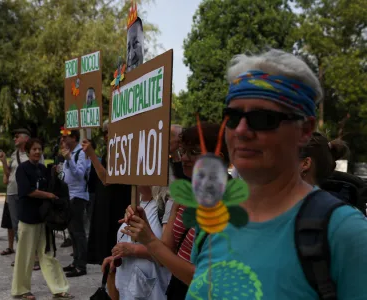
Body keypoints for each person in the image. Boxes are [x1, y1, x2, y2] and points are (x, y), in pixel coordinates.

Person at [179, 49, 367, 299]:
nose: (241, 131)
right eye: (233, 117)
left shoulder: (345, 233)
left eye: (262, 118)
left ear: (305, 130)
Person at [121, 123, 230, 300]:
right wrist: (144, 226)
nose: (184, 158)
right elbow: (164, 255)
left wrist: (149, 240)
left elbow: (204, 279)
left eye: (194, 152)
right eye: (183, 151)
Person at [11, 138, 74, 300]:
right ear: (28, 151)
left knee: (48, 255)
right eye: (34, 149)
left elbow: (52, 185)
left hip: (44, 219)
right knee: (25, 256)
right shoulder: (22, 169)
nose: (38, 152)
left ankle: (59, 288)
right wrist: (49, 195)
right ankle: (21, 290)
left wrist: (54, 174)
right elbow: (28, 191)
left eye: (39, 149)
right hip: (28, 219)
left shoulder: (42, 168)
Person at [102, 185, 171, 300]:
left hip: (155, 291)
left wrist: (133, 250)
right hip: (129, 290)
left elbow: (169, 254)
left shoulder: (166, 206)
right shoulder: (135, 204)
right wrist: (117, 257)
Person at [83, 119, 131, 265]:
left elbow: (106, 179)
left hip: (116, 205)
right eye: (105, 133)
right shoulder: (108, 152)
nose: (106, 136)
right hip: (104, 204)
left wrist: (92, 155)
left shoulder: (124, 151)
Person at [0, 129, 41, 269]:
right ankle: (21, 256)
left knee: (29, 225)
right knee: (17, 226)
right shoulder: (14, 154)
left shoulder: (34, 153)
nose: (14, 139)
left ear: (25, 138)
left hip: (26, 194)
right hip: (11, 193)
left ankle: (35, 257)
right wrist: (4, 161)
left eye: (17, 137)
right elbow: (8, 174)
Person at [61, 129, 90, 277]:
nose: (63, 139)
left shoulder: (81, 153)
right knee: (72, 231)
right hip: (69, 196)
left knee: (78, 232)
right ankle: (75, 261)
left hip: (78, 196)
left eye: (66, 137)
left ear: (74, 138)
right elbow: (67, 175)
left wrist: (68, 160)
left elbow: (79, 175)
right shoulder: (70, 154)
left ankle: (81, 266)